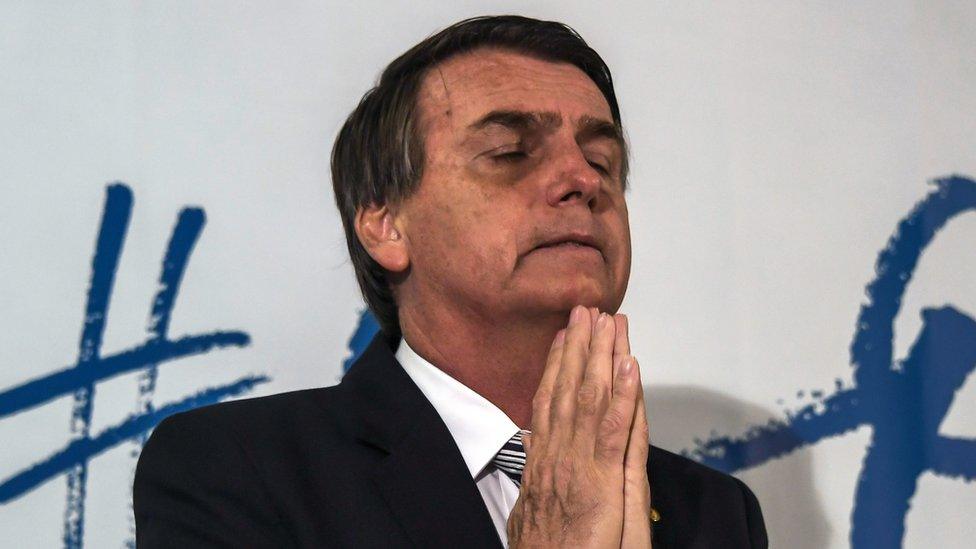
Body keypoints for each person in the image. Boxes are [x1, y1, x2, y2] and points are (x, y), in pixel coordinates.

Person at [134, 15, 767, 548]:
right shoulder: (237, 469)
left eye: (602, 159)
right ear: (386, 225)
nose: (583, 179)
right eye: (510, 153)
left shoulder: (714, 514)